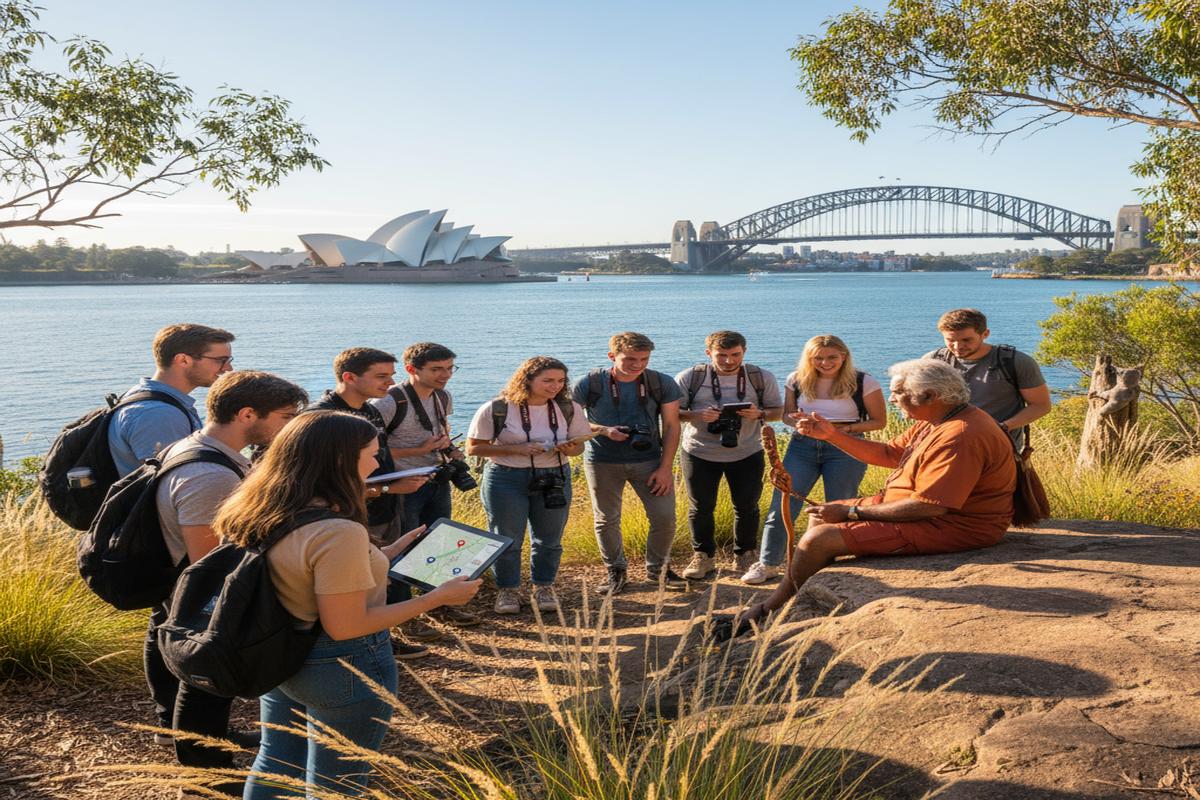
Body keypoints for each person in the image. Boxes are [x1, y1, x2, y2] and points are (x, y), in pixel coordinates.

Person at [219, 411, 481, 799]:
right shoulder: (338, 530)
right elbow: (346, 625)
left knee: (276, 762)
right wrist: (436, 598)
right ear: (340, 460)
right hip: (341, 665)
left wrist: (383, 555)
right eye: (372, 454)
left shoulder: (263, 508)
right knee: (337, 784)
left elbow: (304, 573)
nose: (379, 464)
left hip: (279, 650)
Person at [719, 359, 1016, 641]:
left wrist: (851, 513)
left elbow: (931, 506)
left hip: (951, 525)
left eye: (899, 393)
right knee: (820, 514)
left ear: (930, 395)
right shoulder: (939, 419)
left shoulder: (960, 434)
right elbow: (889, 454)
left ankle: (770, 607)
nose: (893, 399)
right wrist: (830, 434)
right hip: (923, 509)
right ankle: (799, 594)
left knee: (818, 539)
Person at [148, 371, 307, 792]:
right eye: (286, 415)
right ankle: (207, 778)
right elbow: (212, 559)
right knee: (203, 688)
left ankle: (213, 756)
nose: (290, 425)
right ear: (248, 413)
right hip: (202, 597)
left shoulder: (209, 452)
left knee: (203, 688)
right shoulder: (210, 474)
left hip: (190, 591)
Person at [307, 347, 431, 658]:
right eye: (381, 376)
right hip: (346, 516)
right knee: (355, 582)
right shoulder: (320, 418)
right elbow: (319, 486)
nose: (391, 382)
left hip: (382, 508)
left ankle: (380, 638)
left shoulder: (370, 409)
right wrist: (388, 488)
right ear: (349, 377)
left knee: (377, 577)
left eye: (391, 375)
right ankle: (360, 644)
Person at [742, 335, 887, 585]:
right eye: (818, 358)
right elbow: (787, 416)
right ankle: (768, 563)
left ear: (844, 356)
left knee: (838, 506)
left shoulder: (864, 381)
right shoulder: (797, 379)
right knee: (784, 504)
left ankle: (832, 563)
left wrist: (839, 431)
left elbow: (879, 421)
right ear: (809, 358)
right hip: (802, 447)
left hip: (845, 448)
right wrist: (796, 421)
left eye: (832, 357)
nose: (825, 363)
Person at [466, 356, 590, 615]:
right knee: (507, 539)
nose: (554, 386)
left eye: (560, 381)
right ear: (527, 380)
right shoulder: (497, 408)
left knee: (549, 539)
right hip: (506, 477)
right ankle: (507, 590)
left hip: (554, 476)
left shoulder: (568, 408)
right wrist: (517, 449)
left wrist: (571, 447)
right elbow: (474, 447)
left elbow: (579, 447)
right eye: (547, 381)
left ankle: (544, 586)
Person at [370, 341, 480, 628]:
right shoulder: (388, 402)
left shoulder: (442, 397)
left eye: (449, 368)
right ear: (411, 369)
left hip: (436, 479)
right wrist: (417, 451)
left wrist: (451, 453)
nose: (445, 375)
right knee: (401, 548)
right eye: (436, 370)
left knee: (439, 544)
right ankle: (404, 615)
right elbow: (370, 451)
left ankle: (440, 602)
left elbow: (440, 431)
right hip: (402, 486)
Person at [572, 332, 685, 595]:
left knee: (664, 516)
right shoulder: (589, 383)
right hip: (602, 460)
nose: (638, 365)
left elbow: (671, 426)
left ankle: (658, 570)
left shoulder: (661, 382)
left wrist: (666, 467)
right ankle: (616, 571)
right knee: (606, 519)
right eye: (630, 359)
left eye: (644, 359)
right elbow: (572, 423)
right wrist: (603, 429)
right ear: (612, 356)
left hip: (650, 460)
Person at [675, 330, 783, 580]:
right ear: (708, 353)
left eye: (735, 355)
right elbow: (674, 414)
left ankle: (744, 554)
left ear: (744, 352)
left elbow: (779, 412)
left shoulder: (759, 377)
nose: (728, 361)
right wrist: (698, 415)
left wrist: (759, 414)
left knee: (747, 507)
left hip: (747, 451)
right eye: (721, 355)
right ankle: (703, 557)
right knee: (700, 507)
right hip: (699, 451)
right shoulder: (691, 377)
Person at [109, 323, 235, 477]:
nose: (229, 368)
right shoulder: (159, 414)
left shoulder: (145, 396)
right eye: (221, 360)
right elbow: (178, 482)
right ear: (183, 360)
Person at [925, 308, 1051, 449]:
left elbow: (1041, 405)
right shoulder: (934, 361)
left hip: (997, 448)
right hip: (946, 444)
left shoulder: (1015, 362)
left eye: (966, 340)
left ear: (985, 334)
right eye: (950, 340)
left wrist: (1002, 427)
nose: (957, 346)